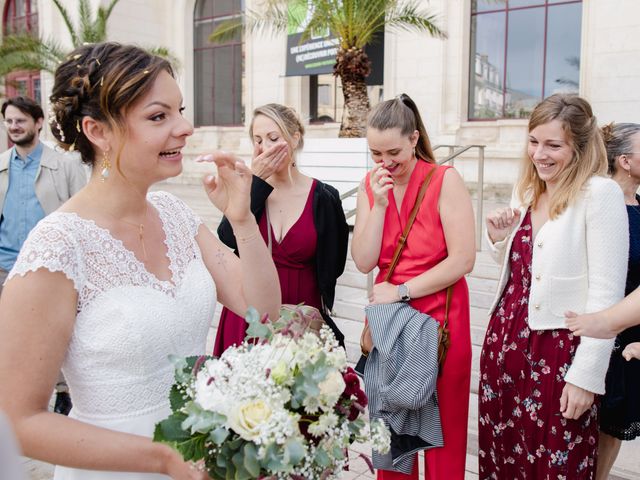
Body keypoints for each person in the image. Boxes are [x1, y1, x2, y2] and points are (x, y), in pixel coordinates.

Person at [0, 42, 280, 479]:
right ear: (98, 130)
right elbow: (17, 421)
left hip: (200, 454)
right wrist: (163, 458)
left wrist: (242, 220)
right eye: (158, 116)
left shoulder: (175, 214)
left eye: (180, 110)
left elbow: (263, 310)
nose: (185, 128)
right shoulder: (57, 246)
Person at [479, 94, 629, 480]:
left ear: (578, 147)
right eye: (533, 141)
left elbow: (607, 295)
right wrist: (499, 239)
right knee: (505, 460)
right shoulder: (527, 190)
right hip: (506, 346)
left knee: (554, 465)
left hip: (559, 355)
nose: (539, 154)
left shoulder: (600, 194)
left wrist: (586, 377)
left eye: (553, 145)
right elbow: (523, 271)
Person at [351, 93, 476, 479]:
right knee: (391, 437)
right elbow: (363, 260)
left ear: (414, 139)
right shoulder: (371, 187)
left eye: (393, 152)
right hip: (392, 326)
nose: (385, 162)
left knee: (444, 437)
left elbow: (463, 260)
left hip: (441, 323)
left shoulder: (444, 180)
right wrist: (381, 206)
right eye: (375, 153)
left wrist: (402, 290)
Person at [213, 103, 349, 355]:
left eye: (273, 138)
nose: (264, 147)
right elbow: (226, 236)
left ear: (294, 138)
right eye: (258, 140)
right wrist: (256, 183)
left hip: (301, 314)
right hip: (247, 313)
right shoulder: (247, 188)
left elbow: (334, 264)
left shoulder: (324, 197)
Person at [562, 122, 640, 480]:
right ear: (625, 160)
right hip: (597, 327)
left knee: (617, 423)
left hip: (633, 331)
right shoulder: (598, 205)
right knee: (589, 420)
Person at [1, 96, 86, 416]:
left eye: (20, 120)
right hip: (5, 264)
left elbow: (82, 213)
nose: (14, 126)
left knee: (56, 332)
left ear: (38, 122)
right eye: (9, 121)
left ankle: (64, 391)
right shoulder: (2, 165)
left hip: (49, 268)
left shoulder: (64, 165)